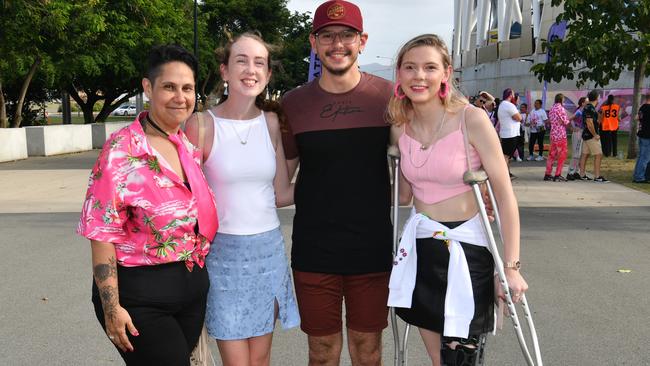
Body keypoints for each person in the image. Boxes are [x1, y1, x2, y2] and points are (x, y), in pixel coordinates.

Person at [386, 34, 528, 366]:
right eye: (410, 67)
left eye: (429, 67)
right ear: (399, 74)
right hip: (423, 250)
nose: (419, 76)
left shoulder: (471, 120)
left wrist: (511, 267)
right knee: (440, 362)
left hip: (468, 249)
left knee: (459, 361)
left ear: (446, 73)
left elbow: (505, 197)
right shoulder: (399, 126)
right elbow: (403, 195)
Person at [77, 45, 219, 365]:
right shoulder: (121, 151)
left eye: (187, 88)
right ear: (147, 87)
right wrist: (112, 309)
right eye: (169, 86)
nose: (179, 97)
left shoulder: (186, 146)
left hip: (191, 291)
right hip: (140, 298)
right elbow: (101, 232)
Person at [280, 1, 394, 365]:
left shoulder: (391, 97)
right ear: (314, 43)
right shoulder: (293, 104)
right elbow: (279, 175)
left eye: (346, 35)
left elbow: (423, 153)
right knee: (323, 353)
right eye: (327, 36)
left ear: (362, 41)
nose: (337, 44)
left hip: (371, 248)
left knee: (367, 350)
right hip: (315, 250)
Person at [184, 32, 300, 366]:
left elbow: (281, 194)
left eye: (259, 62)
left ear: (268, 74)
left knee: (260, 359)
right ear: (224, 71)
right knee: (236, 361)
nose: (251, 69)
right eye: (241, 60)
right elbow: (185, 200)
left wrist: (327, 169)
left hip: (268, 253)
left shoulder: (272, 122)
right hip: (222, 254)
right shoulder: (201, 125)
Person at [578, 90, 609, 182]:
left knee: (585, 155)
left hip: (586, 135)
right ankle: (597, 176)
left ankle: (582, 175)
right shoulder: (589, 108)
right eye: (599, 96)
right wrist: (595, 134)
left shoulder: (590, 107)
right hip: (591, 135)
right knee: (598, 155)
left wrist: (601, 115)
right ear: (597, 98)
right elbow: (589, 123)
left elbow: (597, 122)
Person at [543, 93, 571, 181]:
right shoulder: (561, 108)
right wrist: (565, 122)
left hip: (553, 134)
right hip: (560, 134)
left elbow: (551, 120)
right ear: (561, 100)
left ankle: (547, 174)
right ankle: (557, 174)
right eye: (564, 99)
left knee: (551, 155)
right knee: (562, 155)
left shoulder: (552, 108)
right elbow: (566, 121)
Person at [497, 88, 523, 178]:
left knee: (507, 156)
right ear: (510, 95)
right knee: (506, 156)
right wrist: (515, 117)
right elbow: (519, 118)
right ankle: (504, 175)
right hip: (510, 134)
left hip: (507, 133)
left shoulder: (503, 105)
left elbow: (516, 117)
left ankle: (507, 173)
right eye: (513, 94)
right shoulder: (509, 105)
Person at [567, 97, 587, 180]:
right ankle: (570, 172)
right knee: (576, 153)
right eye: (587, 102)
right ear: (582, 103)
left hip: (582, 133)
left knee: (580, 153)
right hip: (577, 134)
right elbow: (568, 120)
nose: (588, 103)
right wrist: (572, 128)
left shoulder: (583, 112)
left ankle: (575, 172)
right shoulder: (578, 111)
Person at [633, 94, 650, 183]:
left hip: (642, 133)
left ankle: (637, 175)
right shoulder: (648, 108)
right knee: (645, 158)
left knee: (640, 157)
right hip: (647, 135)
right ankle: (639, 177)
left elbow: (636, 118)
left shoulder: (642, 107)